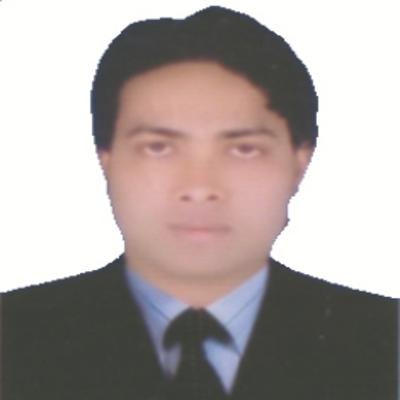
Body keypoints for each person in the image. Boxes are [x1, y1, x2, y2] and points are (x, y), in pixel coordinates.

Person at [1, 5, 398, 400]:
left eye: (244, 149)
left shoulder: (384, 341)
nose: (199, 187)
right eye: (158, 148)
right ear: (107, 159)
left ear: (299, 163)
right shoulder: (13, 337)